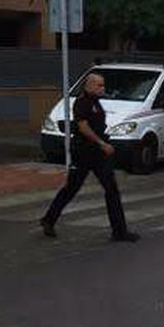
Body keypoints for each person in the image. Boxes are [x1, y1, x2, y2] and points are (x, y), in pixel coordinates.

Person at [40, 73, 138, 243]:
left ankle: (119, 231)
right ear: (89, 85)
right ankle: (49, 220)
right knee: (71, 188)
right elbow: (83, 127)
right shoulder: (82, 102)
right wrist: (101, 143)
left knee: (111, 189)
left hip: (99, 155)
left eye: (103, 85)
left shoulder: (96, 103)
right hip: (84, 152)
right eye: (99, 85)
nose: (103, 89)